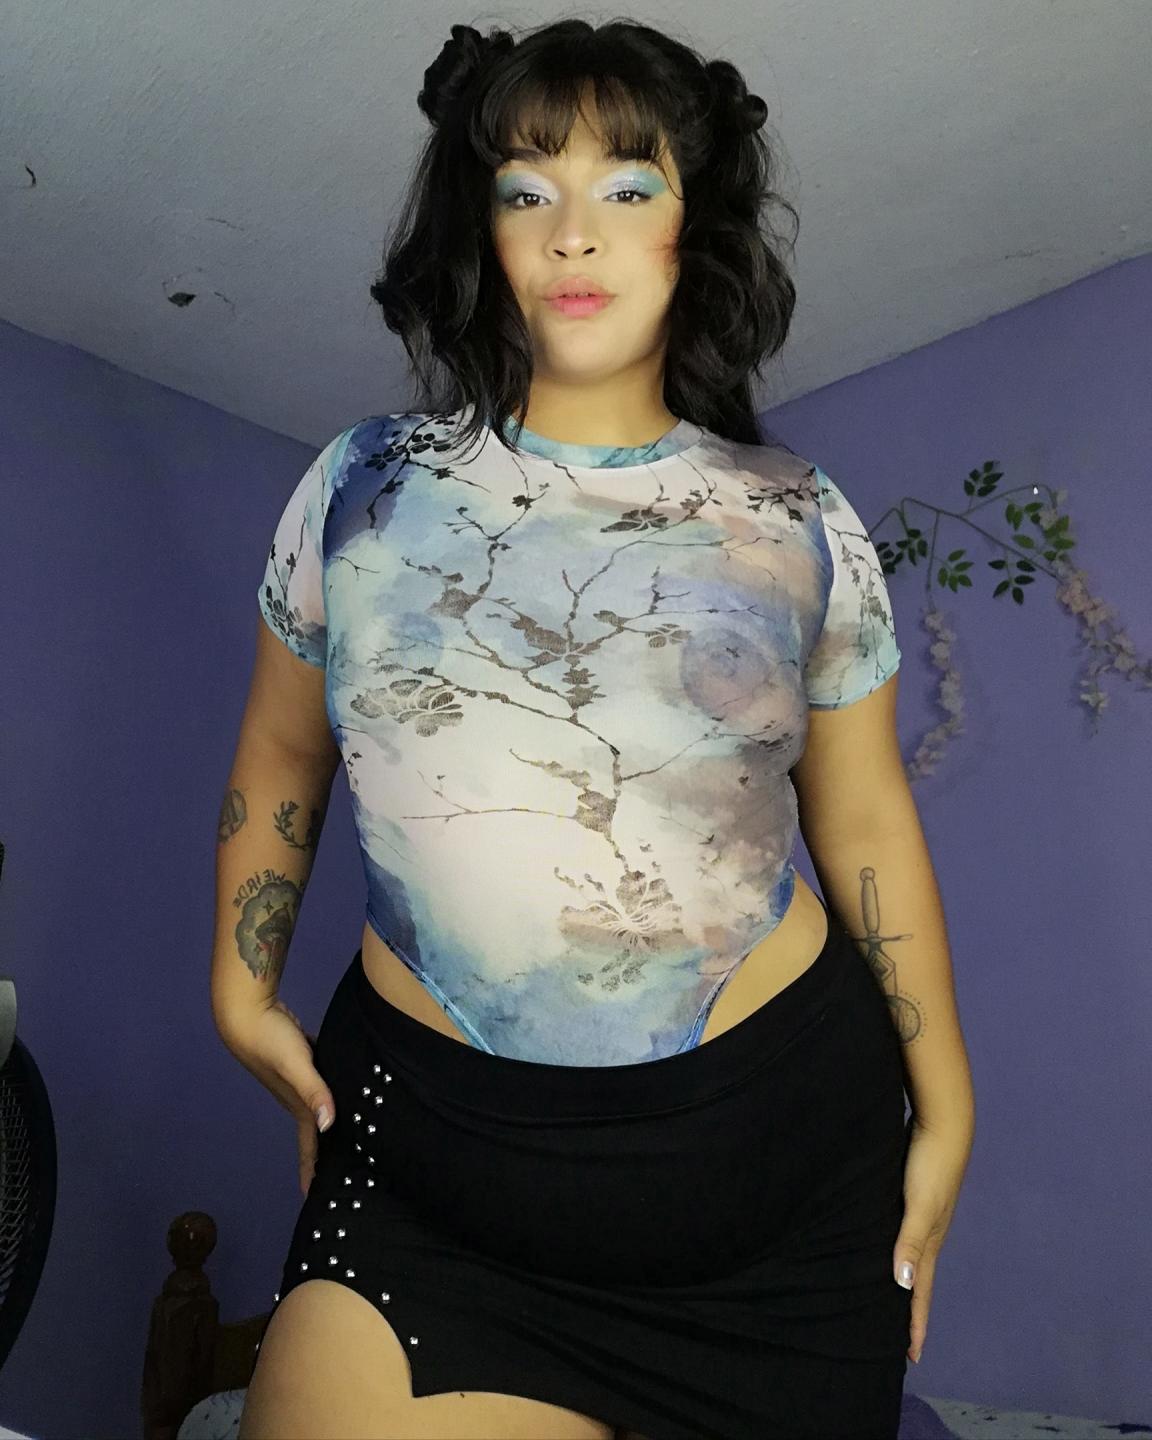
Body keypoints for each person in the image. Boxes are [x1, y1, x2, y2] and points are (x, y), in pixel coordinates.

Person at [215, 17, 976, 1440]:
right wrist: (237, 986)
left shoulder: (798, 517)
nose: (574, 232)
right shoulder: (361, 488)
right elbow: (281, 751)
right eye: (528, 190)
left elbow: (867, 817)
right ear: (482, 233)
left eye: (628, 186)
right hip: (434, 1178)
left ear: (699, 231)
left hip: (784, 1196)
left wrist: (948, 1104)